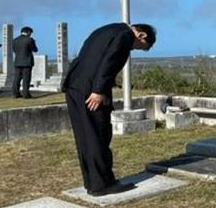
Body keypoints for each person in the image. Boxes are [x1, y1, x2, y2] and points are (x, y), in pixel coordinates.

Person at [62, 22, 156, 196]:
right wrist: (98, 90)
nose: (134, 49)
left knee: (84, 136)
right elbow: (109, 61)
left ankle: (91, 182)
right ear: (142, 35)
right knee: (98, 134)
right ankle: (102, 184)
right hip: (91, 90)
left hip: (74, 84)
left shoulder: (104, 30)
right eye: (140, 47)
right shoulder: (125, 35)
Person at [12, 26, 38, 98]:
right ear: (28, 32)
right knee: (26, 79)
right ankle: (26, 94)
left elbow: (14, 50)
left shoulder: (14, 40)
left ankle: (15, 93)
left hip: (17, 62)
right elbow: (35, 49)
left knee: (17, 78)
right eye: (30, 33)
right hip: (27, 62)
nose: (31, 34)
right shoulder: (29, 40)